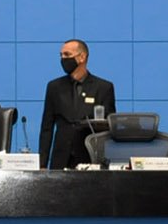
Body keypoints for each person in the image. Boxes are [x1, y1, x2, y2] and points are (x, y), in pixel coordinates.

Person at [38, 39, 116, 169]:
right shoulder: (54, 87)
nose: (63, 59)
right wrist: (42, 163)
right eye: (61, 55)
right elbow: (47, 128)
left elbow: (108, 128)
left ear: (82, 57)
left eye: (67, 54)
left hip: (90, 158)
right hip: (60, 159)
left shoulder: (103, 87)